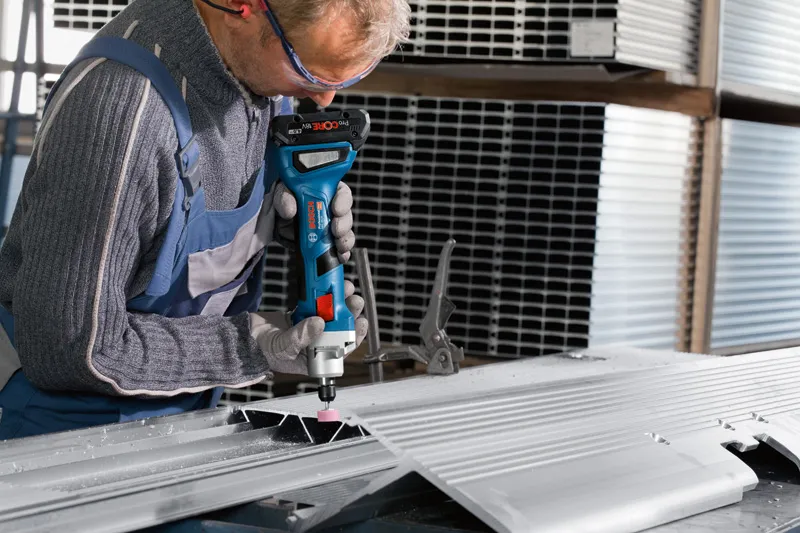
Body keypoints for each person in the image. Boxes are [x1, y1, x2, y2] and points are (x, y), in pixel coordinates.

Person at [0, 0, 411, 440]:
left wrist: (288, 218)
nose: (323, 98)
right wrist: (250, 345)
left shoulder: (257, 74)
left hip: (178, 410)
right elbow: (71, 349)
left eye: (346, 79)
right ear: (241, 6)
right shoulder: (121, 110)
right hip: (62, 430)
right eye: (309, 73)